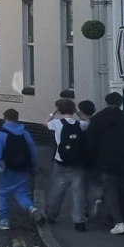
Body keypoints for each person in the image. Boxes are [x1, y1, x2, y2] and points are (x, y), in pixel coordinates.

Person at [84, 90, 124, 235]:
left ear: (106, 102)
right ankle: (114, 213)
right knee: (122, 189)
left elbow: (91, 140)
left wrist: (92, 159)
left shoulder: (98, 118)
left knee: (110, 189)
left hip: (105, 159)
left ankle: (118, 222)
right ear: (121, 103)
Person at [0, 107, 40, 231]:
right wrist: (33, 167)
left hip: (7, 170)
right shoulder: (25, 133)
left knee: (3, 193)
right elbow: (33, 152)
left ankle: (4, 221)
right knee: (22, 193)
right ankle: (32, 208)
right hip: (23, 169)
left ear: (4, 118)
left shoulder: (1, 134)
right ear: (17, 118)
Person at [44, 98, 90, 230]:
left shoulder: (56, 123)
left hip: (61, 162)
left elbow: (45, 122)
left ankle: (51, 215)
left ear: (59, 111)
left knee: (58, 189)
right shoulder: (80, 124)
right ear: (73, 110)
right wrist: (77, 112)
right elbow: (88, 121)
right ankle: (79, 221)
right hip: (77, 163)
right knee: (78, 192)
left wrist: (53, 112)